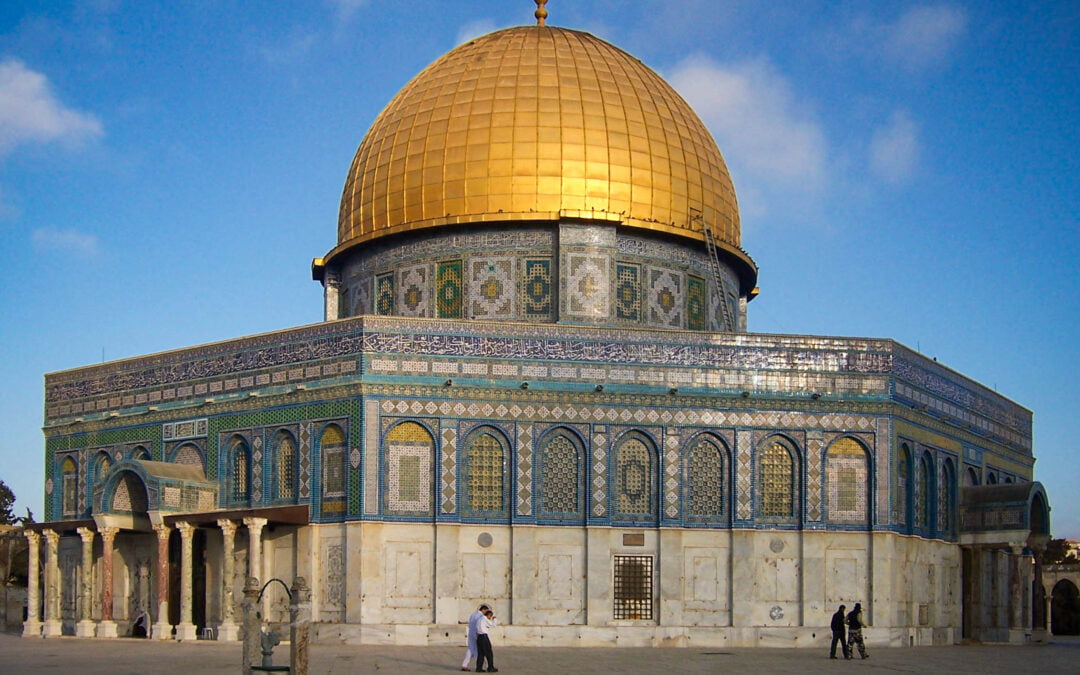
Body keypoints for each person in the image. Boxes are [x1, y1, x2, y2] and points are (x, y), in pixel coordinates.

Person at [461, 604, 489, 671]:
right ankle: (488, 666)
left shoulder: (473, 614)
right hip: (478, 635)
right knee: (484, 650)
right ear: (483, 610)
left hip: (471, 634)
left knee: (470, 649)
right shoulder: (481, 616)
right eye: (486, 611)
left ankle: (464, 665)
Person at [475, 606, 498, 673]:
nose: (490, 618)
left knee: (481, 654)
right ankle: (490, 668)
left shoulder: (479, 619)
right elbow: (493, 625)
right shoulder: (485, 619)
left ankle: (478, 668)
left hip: (479, 637)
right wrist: (495, 619)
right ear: (489, 615)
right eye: (490, 617)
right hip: (484, 637)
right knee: (489, 653)